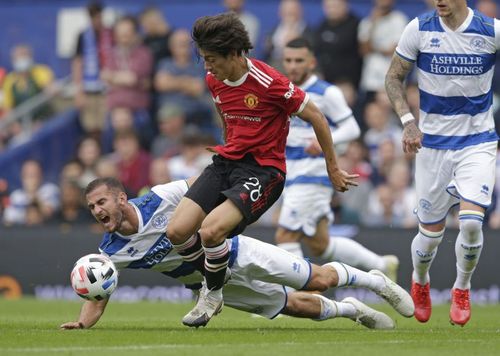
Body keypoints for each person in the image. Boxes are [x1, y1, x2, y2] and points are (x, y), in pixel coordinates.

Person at [165, 13, 358, 328]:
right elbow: (225, 114)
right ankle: (217, 273)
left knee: (211, 231)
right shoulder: (214, 80)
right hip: (227, 162)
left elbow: (318, 118)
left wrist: (333, 169)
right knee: (176, 231)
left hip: (264, 170)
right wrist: (230, 143)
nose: (207, 67)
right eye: (204, 59)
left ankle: (212, 293)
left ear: (235, 54)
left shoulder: (272, 83)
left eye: (212, 59)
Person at [60, 177, 414, 330]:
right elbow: (99, 292)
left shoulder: (162, 198)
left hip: (235, 252)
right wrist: (83, 322)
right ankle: (353, 311)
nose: (97, 210)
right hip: (212, 287)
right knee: (292, 306)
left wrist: (226, 216)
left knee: (317, 279)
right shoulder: (110, 252)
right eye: (91, 207)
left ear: (121, 198)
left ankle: (374, 280)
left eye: (102, 202)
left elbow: (206, 187)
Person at [385, 0, 499, 326]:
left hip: (477, 142)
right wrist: (408, 121)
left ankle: (462, 288)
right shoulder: (419, 29)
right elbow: (393, 77)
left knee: (472, 222)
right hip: (431, 146)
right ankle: (420, 280)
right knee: (430, 236)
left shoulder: (491, 30)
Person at [275, 37, 399, 281]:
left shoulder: (326, 92)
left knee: (285, 236)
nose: (293, 66)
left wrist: (322, 141)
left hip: (315, 173)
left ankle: (293, 295)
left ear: (311, 62)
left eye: (299, 60)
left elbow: (352, 128)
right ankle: (382, 264)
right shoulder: (283, 90)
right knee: (319, 244)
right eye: (288, 60)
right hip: (291, 171)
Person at [72, 1, 113, 135]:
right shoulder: (83, 36)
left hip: (108, 87)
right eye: (93, 17)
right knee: (90, 127)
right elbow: (78, 63)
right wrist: (78, 91)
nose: (97, 20)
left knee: (106, 125)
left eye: (99, 16)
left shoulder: (111, 33)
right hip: (89, 89)